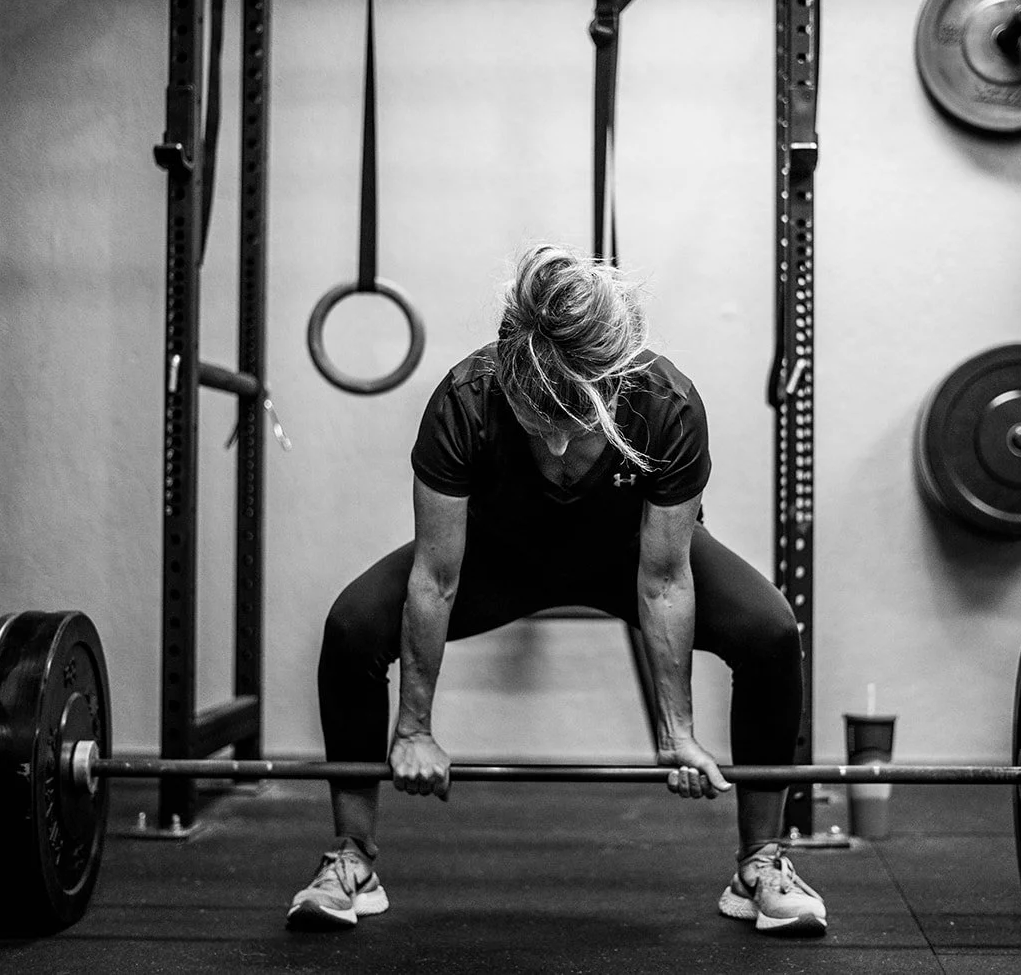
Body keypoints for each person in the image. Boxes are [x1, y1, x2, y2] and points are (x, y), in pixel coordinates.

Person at [287, 243, 828, 937]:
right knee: (352, 626)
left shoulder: (665, 404)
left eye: (579, 424)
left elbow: (664, 579)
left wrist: (677, 732)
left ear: (612, 381)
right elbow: (437, 576)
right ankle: (353, 856)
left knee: (771, 630)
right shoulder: (466, 399)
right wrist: (414, 728)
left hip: (628, 557)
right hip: (497, 558)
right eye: (541, 424)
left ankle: (760, 861)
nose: (563, 449)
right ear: (511, 381)